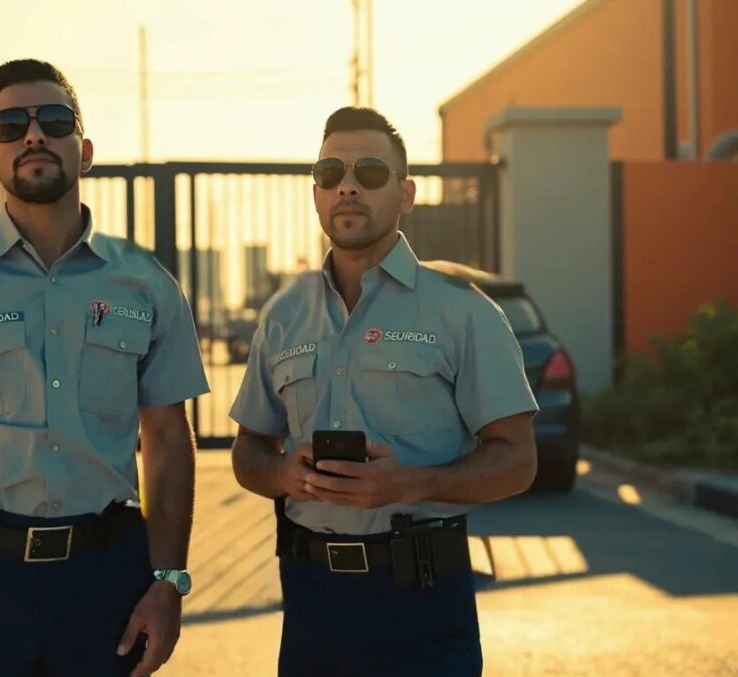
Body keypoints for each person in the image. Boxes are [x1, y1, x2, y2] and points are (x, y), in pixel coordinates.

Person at [0, 59, 208, 677]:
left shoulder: (145, 283)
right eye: (10, 126)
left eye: (54, 120)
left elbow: (167, 440)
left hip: (103, 582)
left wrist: (169, 583)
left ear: (85, 151)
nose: (33, 135)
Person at [229, 106, 538, 676]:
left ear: (407, 194)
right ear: (317, 194)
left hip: (422, 605)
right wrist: (282, 474)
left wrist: (410, 483)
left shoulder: (462, 311)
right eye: (330, 173)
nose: (347, 186)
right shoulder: (283, 316)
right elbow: (248, 450)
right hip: (312, 607)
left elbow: (518, 460)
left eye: (369, 172)